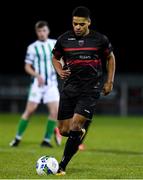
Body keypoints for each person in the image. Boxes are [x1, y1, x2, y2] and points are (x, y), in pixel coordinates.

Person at [52, 6, 116, 175]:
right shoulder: (64, 39)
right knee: (64, 130)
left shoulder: (99, 39)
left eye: (81, 24)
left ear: (88, 22)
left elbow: (110, 57)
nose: (78, 27)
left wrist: (109, 81)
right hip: (70, 88)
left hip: (90, 89)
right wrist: (59, 70)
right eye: (75, 24)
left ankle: (62, 165)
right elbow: (55, 57)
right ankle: (81, 130)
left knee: (74, 125)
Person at [10, 21, 62, 148]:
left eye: (44, 30)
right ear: (36, 32)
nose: (42, 33)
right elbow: (27, 66)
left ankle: (46, 140)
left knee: (55, 113)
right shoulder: (32, 47)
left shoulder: (54, 43)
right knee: (30, 110)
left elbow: (60, 59)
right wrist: (37, 75)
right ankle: (17, 138)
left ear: (48, 31)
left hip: (51, 84)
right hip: (37, 85)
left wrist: (63, 68)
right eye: (39, 31)